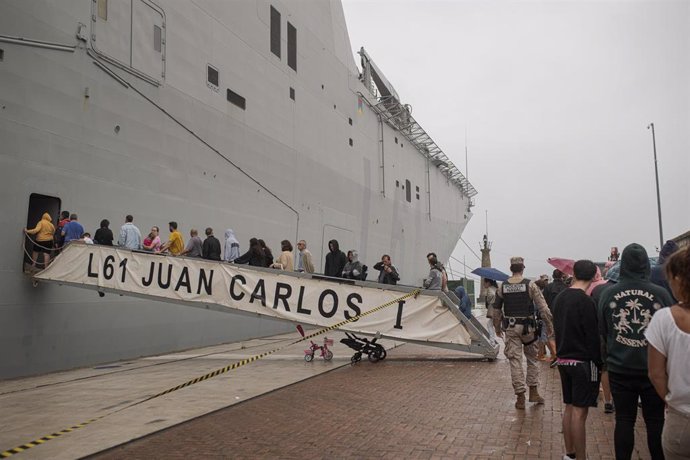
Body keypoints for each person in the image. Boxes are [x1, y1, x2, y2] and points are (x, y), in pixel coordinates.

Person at [599, 243, 674, 460]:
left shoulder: (607, 293)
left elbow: (603, 330)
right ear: (645, 266)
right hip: (654, 369)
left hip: (620, 367)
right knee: (655, 421)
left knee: (624, 420)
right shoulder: (661, 293)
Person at [552, 259, 600, 460]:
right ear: (593, 277)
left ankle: (569, 454)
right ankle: (581, 457)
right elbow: (592, 336)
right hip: (583, 362)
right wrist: (599, 363)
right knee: (580, 413)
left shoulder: (560, 298)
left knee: (569, 407)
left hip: (564, 360)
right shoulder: (586, 301)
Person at [493, 256, 554, 409]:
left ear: (511, 268)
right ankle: (533, 392)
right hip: (529, 329)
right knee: (532, 359)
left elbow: (496, 310)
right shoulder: (530, 285)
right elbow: (543, 308)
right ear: (523, 268)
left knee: (515, 361)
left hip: (511, 328)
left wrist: (497, 327)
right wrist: (550, 325)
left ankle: (520, 396)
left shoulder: (502, 286)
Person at [646, 247, 690, 460]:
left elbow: (656, 373)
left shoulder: (665, 318)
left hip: (681, 417)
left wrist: (671, 400)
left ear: (680, 279)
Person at [483, 278, 499, 342]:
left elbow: (490, 298)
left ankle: (492, 341)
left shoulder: (489, 289)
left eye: (484, 282)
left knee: (490, 325)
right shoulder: (496, 288)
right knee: (491, 324)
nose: (483, 284)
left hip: (493, 310)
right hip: (497, 309)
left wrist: (488, 299)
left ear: (488, 283)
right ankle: (492, 340)